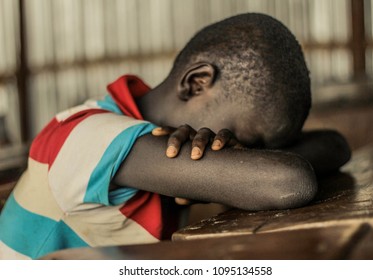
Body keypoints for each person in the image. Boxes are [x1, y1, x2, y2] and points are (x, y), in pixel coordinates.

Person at [0, 13, 350, 259]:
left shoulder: (163, 148)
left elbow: (337, 144)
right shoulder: (86, 136)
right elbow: (290, 181)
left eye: (256, 151)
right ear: (197, 82)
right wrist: (244, 167)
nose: (243, 153)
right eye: (248, 142)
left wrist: (236, 161)